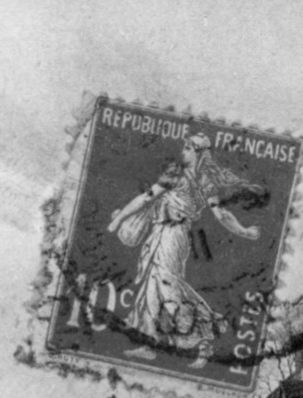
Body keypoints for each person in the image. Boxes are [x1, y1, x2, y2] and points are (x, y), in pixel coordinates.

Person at [107, 131, 267, 365]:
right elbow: (220, 214)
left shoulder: (185, 177)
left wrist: (118, 218)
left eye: (187, 148)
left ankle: (203, 344)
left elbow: (146, 198)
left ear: (196, 152)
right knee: (153, 288)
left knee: (168, 289)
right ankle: (149, 343)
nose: (182, 151)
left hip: (172, 236)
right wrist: (243, 231)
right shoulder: (203, 181)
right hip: (166, 234)